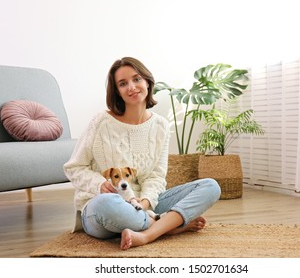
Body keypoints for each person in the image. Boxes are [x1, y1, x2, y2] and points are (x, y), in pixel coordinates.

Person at [64, 57, 221, 250]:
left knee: (211, 186)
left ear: (147, 81)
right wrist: (99, 184)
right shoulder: (101, 122)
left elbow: (155, 176)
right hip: (105, 207)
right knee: (107, 203)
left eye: (136, 79)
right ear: (117, 91)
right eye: (123, 83)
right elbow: (74, 167)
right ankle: (167, 227)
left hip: (144, 206)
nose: (131, 87)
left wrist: (145, 202)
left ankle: (146, 235)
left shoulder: (161, 126)